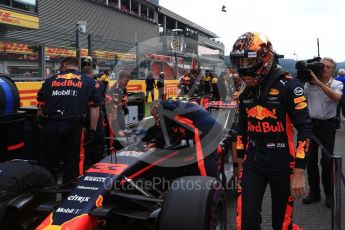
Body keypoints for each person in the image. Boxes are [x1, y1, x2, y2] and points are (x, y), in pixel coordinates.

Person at [230, 32, 313, 230]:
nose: (243, 67)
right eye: (238, 61)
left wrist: (300, 171)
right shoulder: (245, 91)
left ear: (264, 57)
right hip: (254, 161)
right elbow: (241, 129)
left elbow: (305, 128)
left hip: (283, 162)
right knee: (245, 222)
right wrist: (239, 163)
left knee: (281, 224)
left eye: (246, 61)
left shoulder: (290, 86)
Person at [37, 57, 100, 183]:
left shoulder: (49, 80)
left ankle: (45, 195)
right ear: (76, 66)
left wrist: (40, 124)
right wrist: (93, 130)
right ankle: (69, 196)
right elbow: (95, 107)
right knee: (72, 163)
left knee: (48, 162)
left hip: (50, 126)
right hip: (73, 127)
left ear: (64, 65)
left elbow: (40, 106)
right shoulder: (89, 81)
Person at [302, 57, 343, 208]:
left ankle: (329, 194)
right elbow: (303, 99)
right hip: (312, 125)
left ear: (332, 70)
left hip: (327, 126)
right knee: (310, 160)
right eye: (322, 66)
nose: (323, 69)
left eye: (327, 67)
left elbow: (336, 97)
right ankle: (314, 192)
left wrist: (319, 84)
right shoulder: (309, 83)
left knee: (326, 162)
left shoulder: (337, 83)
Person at [147, 99, 223, 178]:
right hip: (213, 123)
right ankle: (214, 183)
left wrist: (157, 145)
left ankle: (209, 185)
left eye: (154, 114)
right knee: (209, 159)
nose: (155, 118)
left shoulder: (162, 107)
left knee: (204, 162)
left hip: (204, 126)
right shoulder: (174, 103)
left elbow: (164, 130)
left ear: (156, 107)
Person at [82, 66, 105, 166]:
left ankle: (85, 163)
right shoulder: (98, 83)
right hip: (95, 113)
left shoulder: (78, 82)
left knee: (84, 141)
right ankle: (97, 163)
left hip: (81, 115)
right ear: (91, 73)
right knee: (97, 140)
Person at [107, 70, 130, 137]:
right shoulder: (116, 87)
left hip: (120, 110)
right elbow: (113, 104)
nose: (126, 82)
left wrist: (125, 107)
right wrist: (114, 117)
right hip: (114, 111)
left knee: (122, 127)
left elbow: (124, 99)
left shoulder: (123, 86)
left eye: (127, 81)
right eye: (125, 80)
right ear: (120, 78)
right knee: (117, 131)